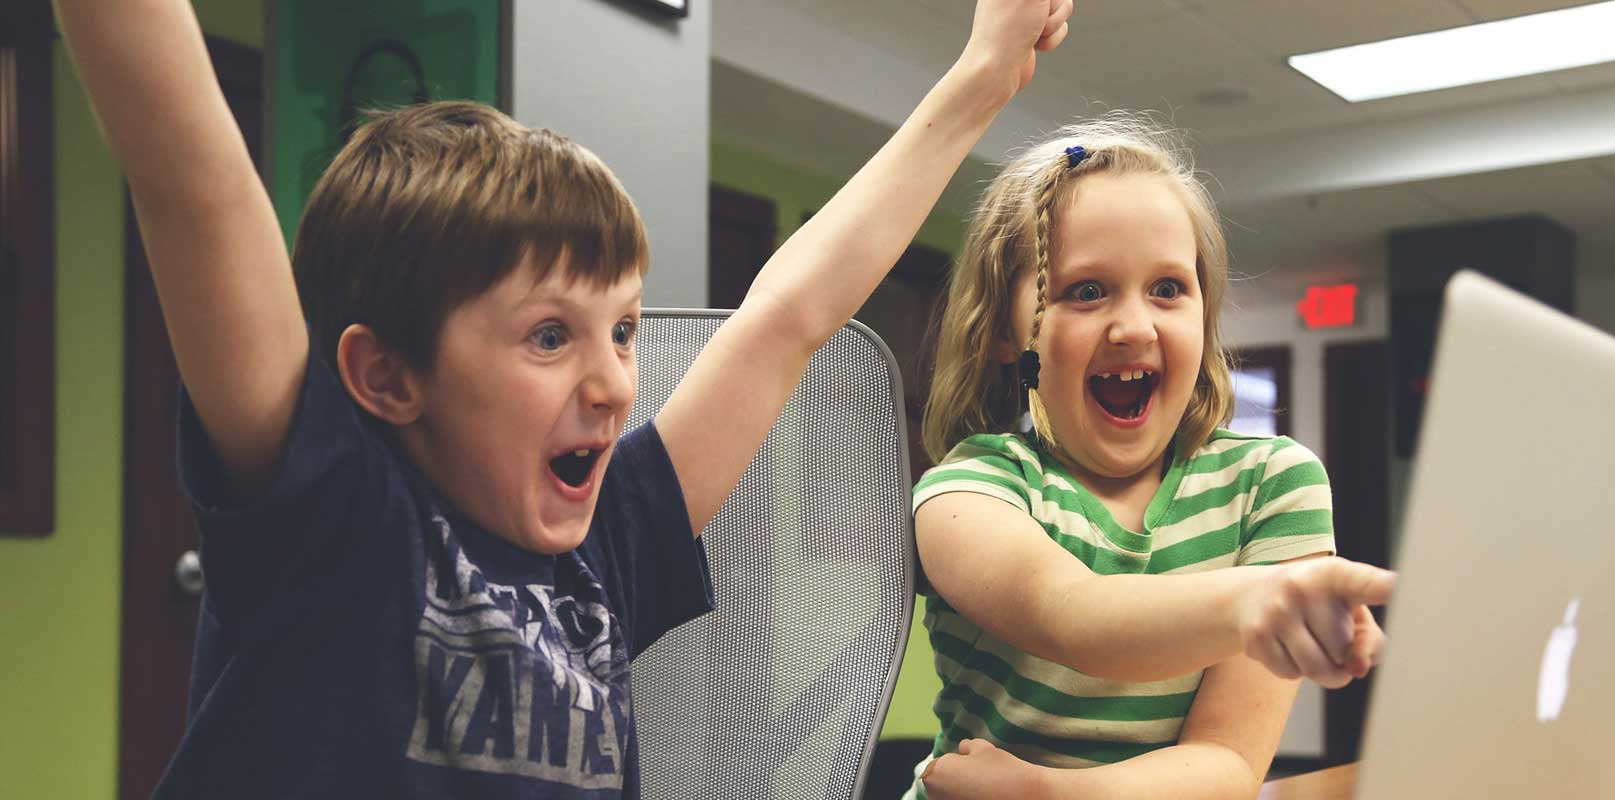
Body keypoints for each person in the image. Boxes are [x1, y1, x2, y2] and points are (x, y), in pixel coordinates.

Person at [52, 0, 1074, 796]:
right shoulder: (333, 512)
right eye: (550, 336)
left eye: (622, 329)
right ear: (387, 376)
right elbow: (190, 179)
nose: (615, 383)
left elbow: (788, 315)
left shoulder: (607, 541)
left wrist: (984, 75)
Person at [909, 114, 1395, 799]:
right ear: (1004, 333)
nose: (1134, 327)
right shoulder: (969, 490)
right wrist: (1255, 599)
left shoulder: (1272, 484)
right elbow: (1071, 614)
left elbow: (1227, 761)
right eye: (1086, 291)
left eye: (1168, 289)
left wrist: (1043, 795)